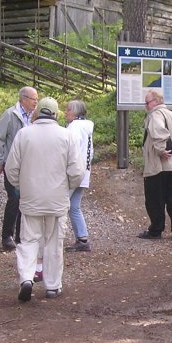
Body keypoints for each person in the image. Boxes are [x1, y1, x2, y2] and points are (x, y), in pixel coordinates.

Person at [4, 97, 86, 301]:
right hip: (57, 199)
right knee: (54, 242)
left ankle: (26, 278)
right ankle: (52, 286)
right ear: (56, 114)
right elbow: (77, 171)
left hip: (31, 199)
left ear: (37, 112)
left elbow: (11, 168)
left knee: (29, 240)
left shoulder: (24, 134)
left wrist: (22, 186)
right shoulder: (66, 135)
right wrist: (67, 186)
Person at [138, 90, 172, 240]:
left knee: (154, 199)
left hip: (159, 165)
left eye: (147, 102)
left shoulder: (156, 115)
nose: (146, 106)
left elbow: (159, 133)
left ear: (156, 101)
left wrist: (161, 150)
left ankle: (156, 230)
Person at [0, 86, 38, 251]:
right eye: (33, 99)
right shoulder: (10, 115)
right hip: (13, 165)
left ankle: (21, 236)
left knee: (26, 199)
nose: (36, 102)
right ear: (23, 99)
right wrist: (1, 160)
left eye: (37, 99)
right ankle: (7, 237)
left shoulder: (35, 116)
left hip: (30, 165)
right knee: (14, 198)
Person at [64, 100, 94, 252]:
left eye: (68, 109)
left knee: (61, 205)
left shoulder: (74, 127)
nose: (66, 112)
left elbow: (69, 150)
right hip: (84, 172)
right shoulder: (86, 127)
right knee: (74, 206)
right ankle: (82, 238)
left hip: (74, 173)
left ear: (75, 112)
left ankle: (53, 238)